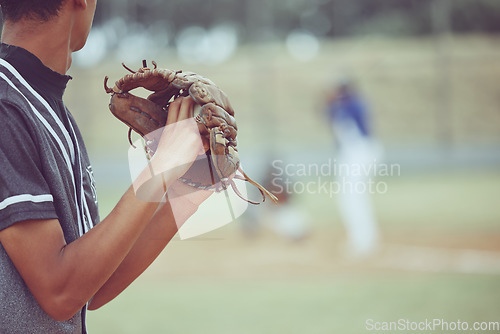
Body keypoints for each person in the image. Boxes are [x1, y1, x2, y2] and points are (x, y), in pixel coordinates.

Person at [0, 1, 210, 333]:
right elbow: (60, 292)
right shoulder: (7, 107)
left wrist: (193, 184)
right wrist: (163, 165)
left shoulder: (43, 105)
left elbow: (90, 286)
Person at [326, 79, 382, 258]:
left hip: (359, 152)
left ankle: (363, 241)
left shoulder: (352, 104)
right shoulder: (338, 107)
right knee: (351, 197)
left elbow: (348, 113)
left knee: (353, 197)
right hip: (353, 153)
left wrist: (337, 99)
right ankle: (364, 239)